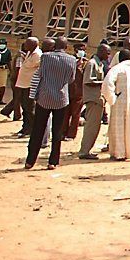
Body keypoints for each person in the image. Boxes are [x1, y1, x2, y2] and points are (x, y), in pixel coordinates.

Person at [25, 37, 78, 170]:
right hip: (61, 98)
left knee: (38, 129)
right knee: (57, 131)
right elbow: (71, 79)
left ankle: (30, 161)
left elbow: (41, 74)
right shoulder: (71, 60)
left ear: (54, 46)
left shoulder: (46, 57)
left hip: (44, 97)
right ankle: (53, 161)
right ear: (66, 47)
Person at [102, 48, 130, 161]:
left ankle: (119, 153)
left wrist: (111, 98)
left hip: (119, 100)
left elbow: (107, 83)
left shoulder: (117, 69)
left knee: (118, 127)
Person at [77, 43, 110, 160]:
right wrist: (104, 82)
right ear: (101, 52)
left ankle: (87, 150)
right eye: (107, 53)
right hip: (93, 99)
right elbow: (88, 81)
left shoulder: (99, 64)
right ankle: (84, 151)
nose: (109, 55)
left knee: (95, 127)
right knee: (91, 127)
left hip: (98, 99)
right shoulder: (92, 63)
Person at [14, 37, 42, 137]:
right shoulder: (30, 53)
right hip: (23, 84)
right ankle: (25, 127)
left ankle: (30, 129)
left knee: (29, 108)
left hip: (30, 85)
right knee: (25, 107)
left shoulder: (37, 55)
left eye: (27, 43)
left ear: (33, 44)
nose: (25, 45)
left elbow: (39, 68)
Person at [63, 42, 88, 141]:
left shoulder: (86, 63)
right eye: (78, 50)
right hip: (68, 90)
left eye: (82, 50)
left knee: (76, 114)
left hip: (79, 92)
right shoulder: (70, 60)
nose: (80, 52)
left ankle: (71, 134)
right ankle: (63, 132)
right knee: (65, 113)